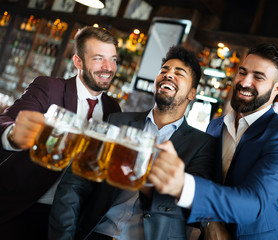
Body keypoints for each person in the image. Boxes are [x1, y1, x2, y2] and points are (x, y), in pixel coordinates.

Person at [49, 45, 217, 240]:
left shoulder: (203, 144)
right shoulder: (116, 122)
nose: (168, 75)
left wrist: (140, 175)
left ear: (192, 94)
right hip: (95, 233)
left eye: (179, 73)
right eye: (164, 70)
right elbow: (74, 184)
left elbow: (191, 204)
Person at [148, 43, 278, 240]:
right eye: (242, 72)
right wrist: (209, 223)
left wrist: (183, 185)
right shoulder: (215, 126)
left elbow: (254, 204)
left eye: (258, 77)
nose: (245, 82)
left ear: (277, 88)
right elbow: (211, 183)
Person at [0, 26, 121, 239]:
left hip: (70, 220)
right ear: (78, 62)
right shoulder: (49, 88)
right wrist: (13, 134)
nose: (108, 67)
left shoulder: (114, 109)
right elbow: (5, 120)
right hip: (23, 206)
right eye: (99, 58)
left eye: (113, 59)